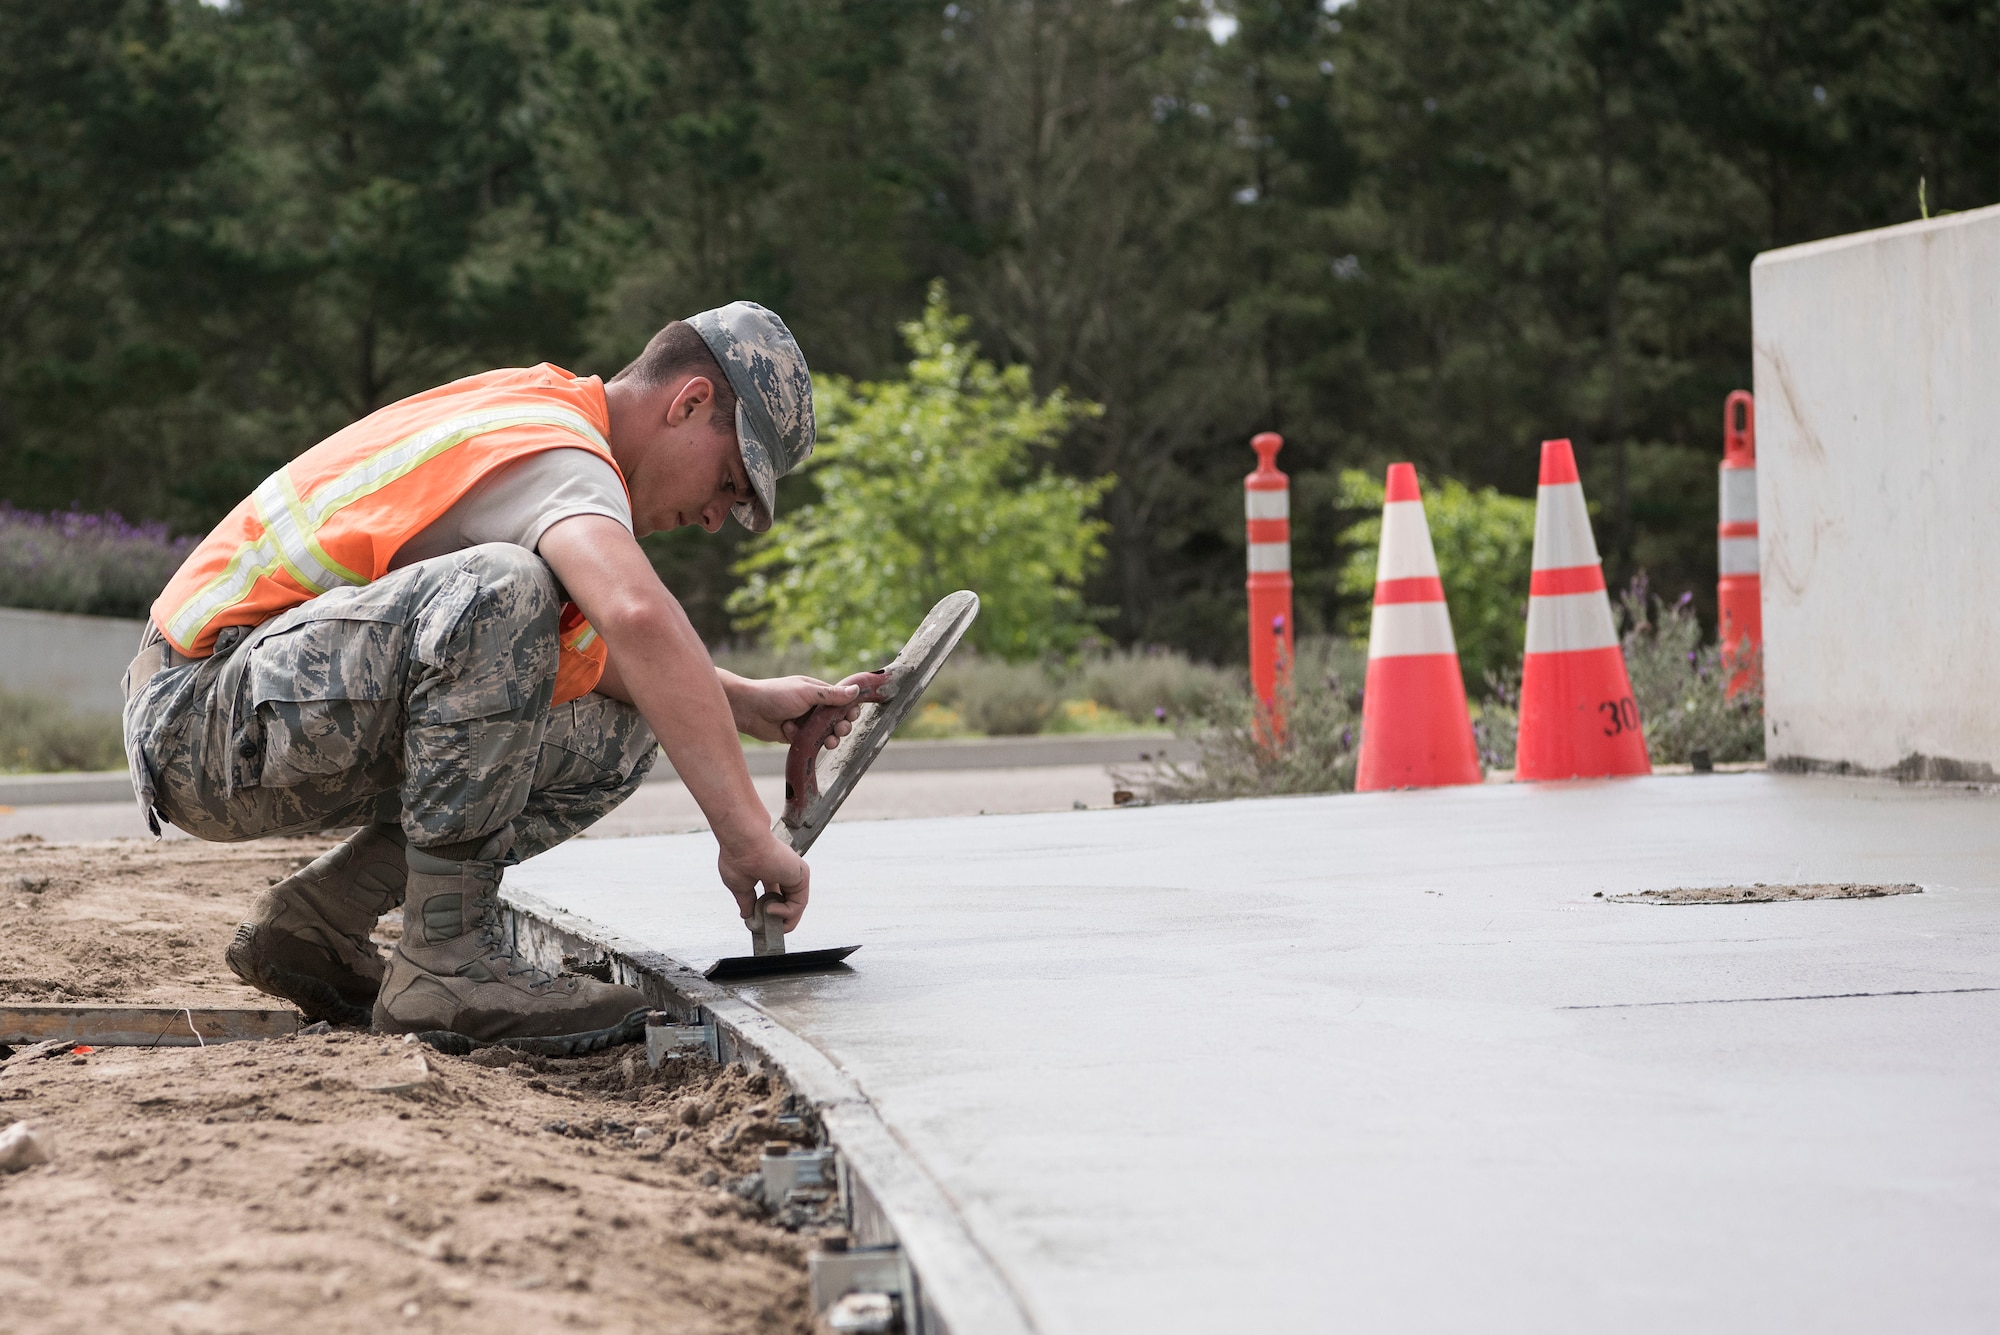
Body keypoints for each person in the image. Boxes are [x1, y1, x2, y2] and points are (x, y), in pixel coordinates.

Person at [121, 302, 860, 1054]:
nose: (714, 516)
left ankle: (318, 919)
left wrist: (750, 705)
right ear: (690, 401)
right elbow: (636, 615)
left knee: (620, 736)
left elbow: (593, 661)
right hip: (196, 712)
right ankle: (449, 960)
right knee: (503, 588)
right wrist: (744, 837)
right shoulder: (557, 453)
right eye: (729, 481)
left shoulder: (545, 418)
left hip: (246, 702)